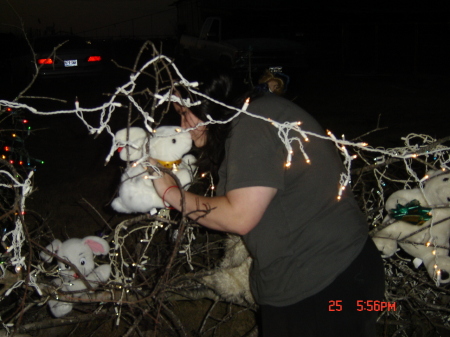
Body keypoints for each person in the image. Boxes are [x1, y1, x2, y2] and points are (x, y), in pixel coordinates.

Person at [151, 69, 385, 337]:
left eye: (184, 113)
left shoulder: (253, 124)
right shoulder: (259, 114)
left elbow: (239, 216)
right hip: (333, 275)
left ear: (208, 99)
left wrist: (170, 193)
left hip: (326, 282)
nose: (182, 126)